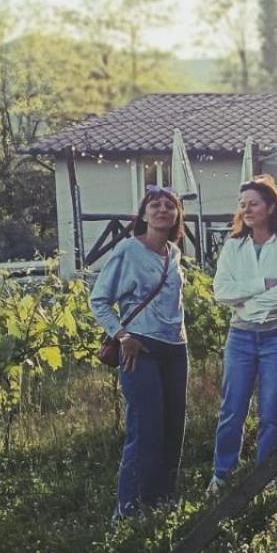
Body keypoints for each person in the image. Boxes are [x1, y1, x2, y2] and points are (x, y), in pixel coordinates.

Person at [89, 184, 188, 518]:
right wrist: (121, 334)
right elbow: (99, 300)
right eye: (155, 205)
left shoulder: (174, 253)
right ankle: (128, 509)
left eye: (169, 206)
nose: (163, 210)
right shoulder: (129, 250)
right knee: (145, 429)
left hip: (176, 349)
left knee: (174, 428)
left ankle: (161, 500)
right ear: (144, 213)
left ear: (177, 215)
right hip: (140, 348)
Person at [209, 175, 277, 493]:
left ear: (270, 207)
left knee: (270, 412)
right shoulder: (234, 246)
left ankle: (266, 477)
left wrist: (247, 302)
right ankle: (222, 474)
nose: (247, 209)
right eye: (242, 204)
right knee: (232, 408)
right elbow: (221, 292)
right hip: (241, 338)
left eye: (253, 203)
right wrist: (261, 286)